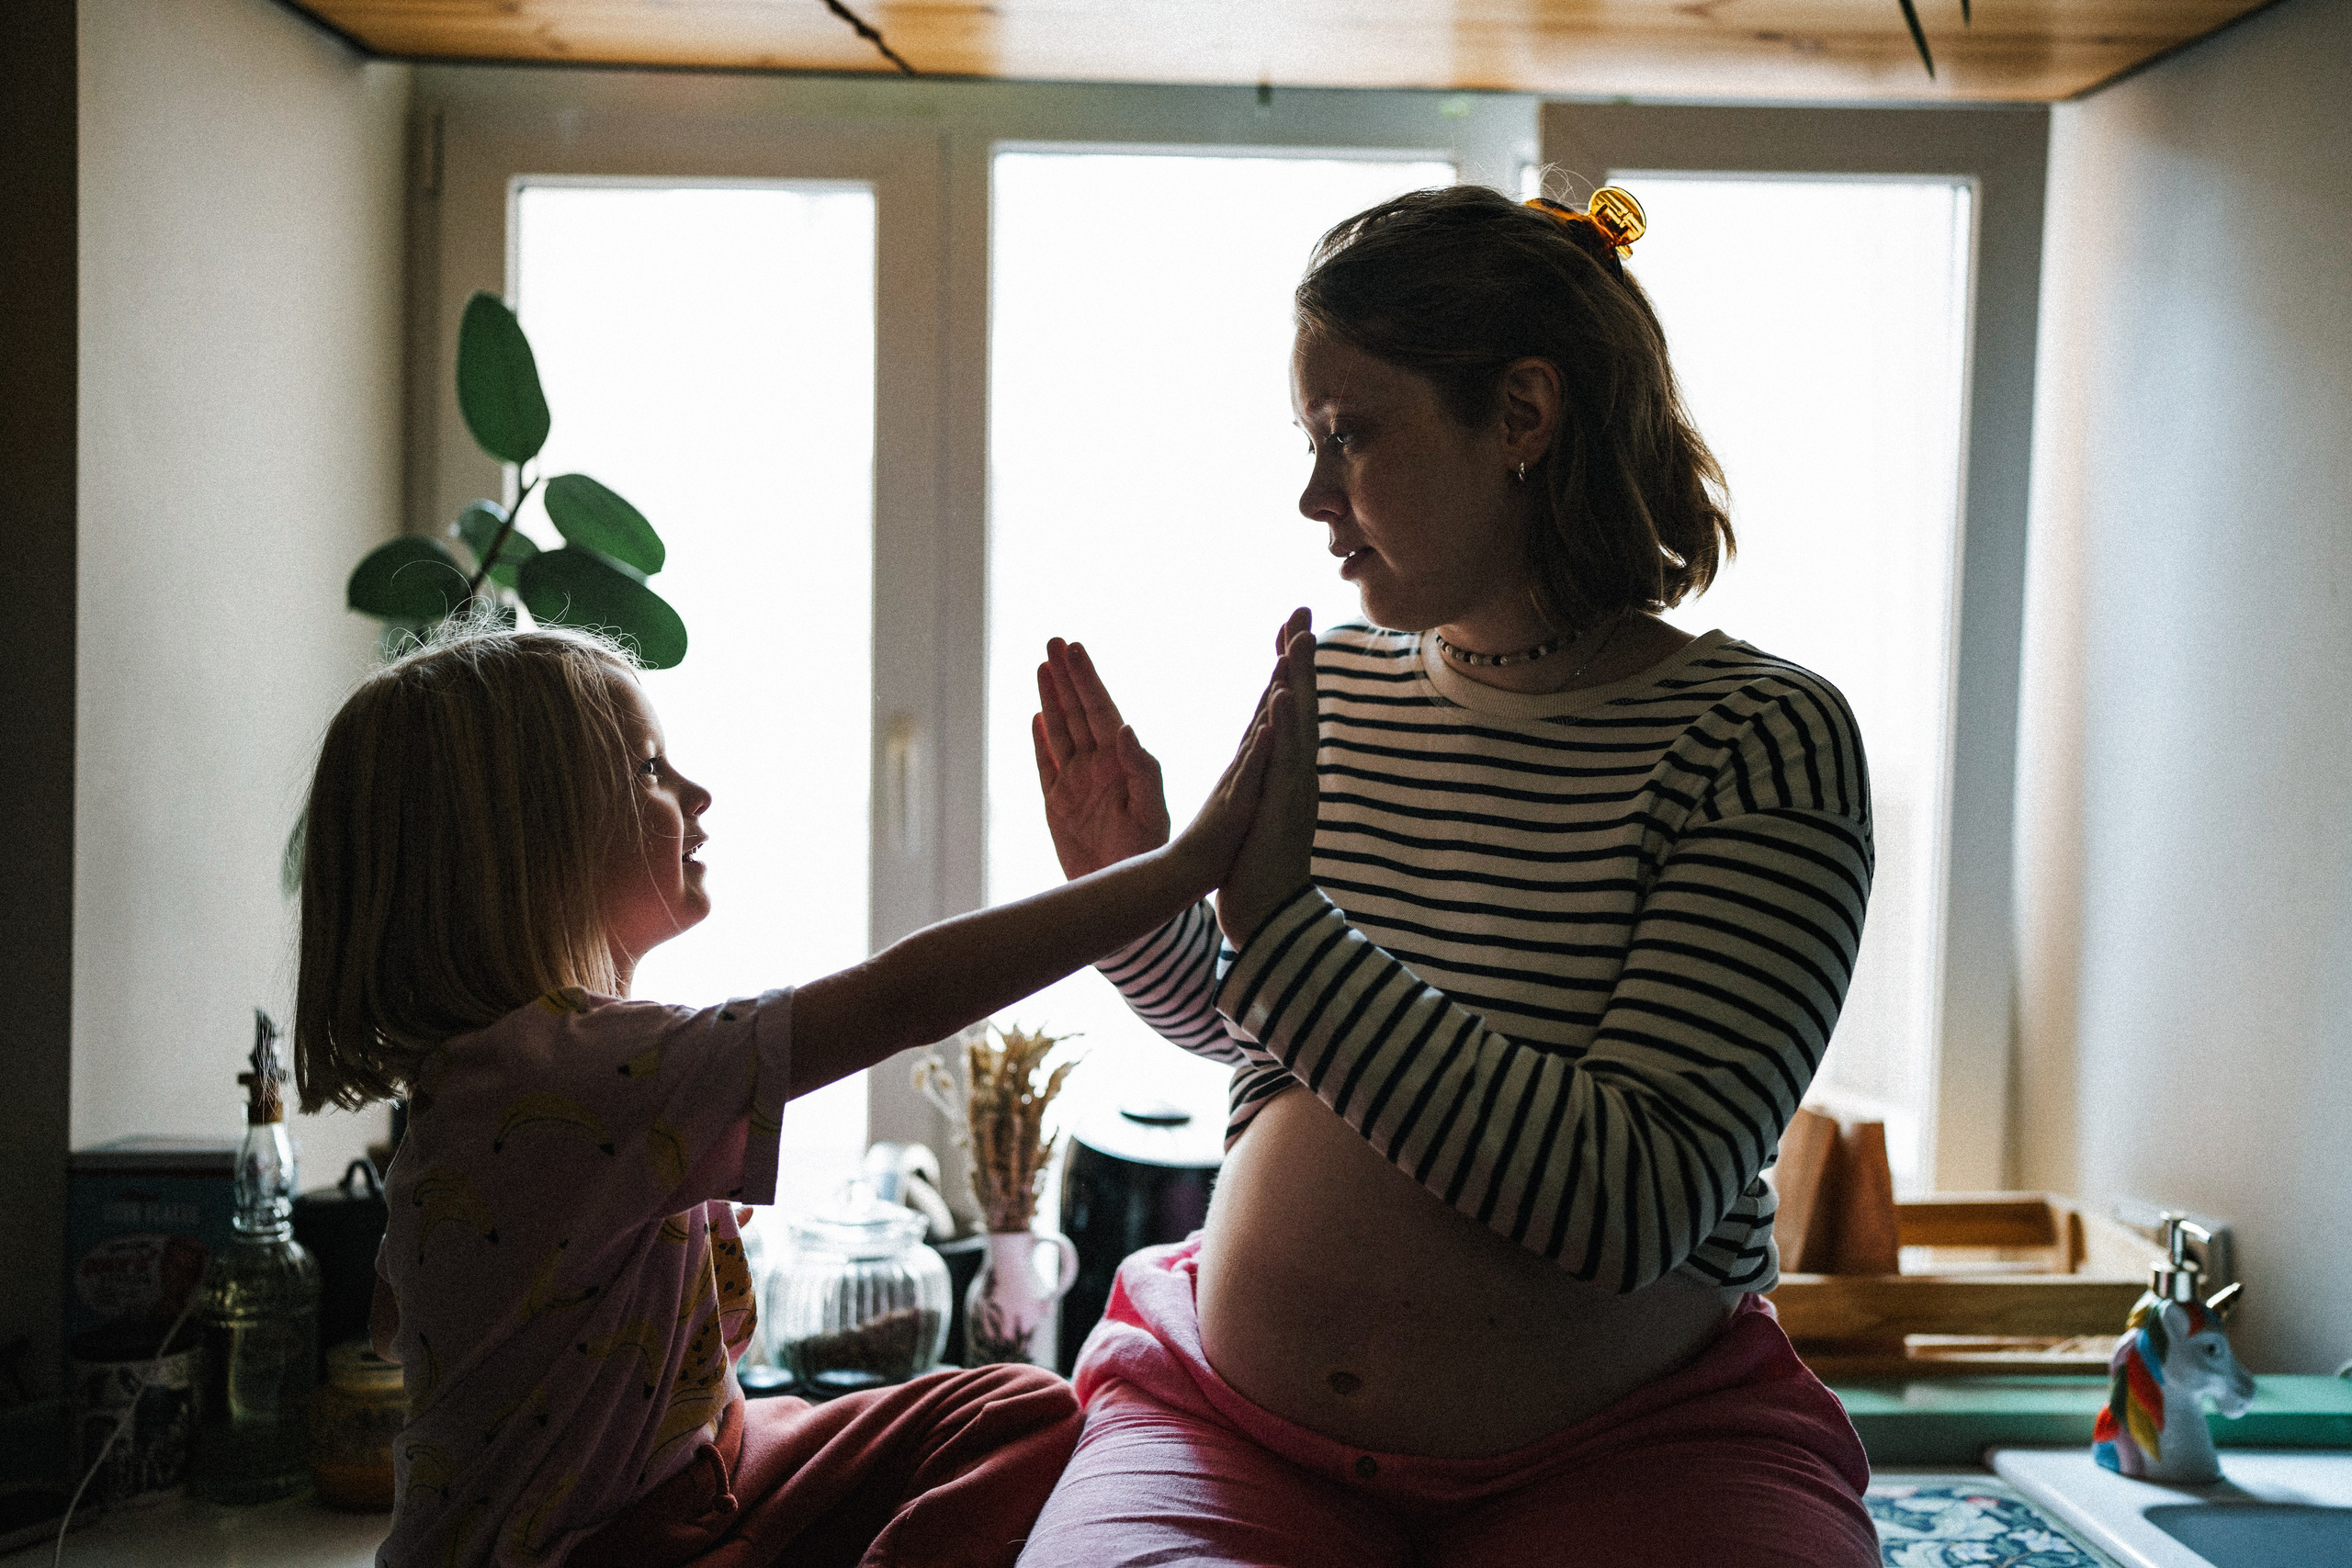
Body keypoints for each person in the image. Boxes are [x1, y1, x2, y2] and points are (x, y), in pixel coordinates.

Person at [1017, 184, 1882, 1567]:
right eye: (1310, 441)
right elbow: (1260, 1025)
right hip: (1235, 1426)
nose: (1312, 494)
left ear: (1523, 417)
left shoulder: (1759, 739)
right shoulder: (1340, 685)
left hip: (1637, 1450)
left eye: (1349, 435)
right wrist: (1142, 903)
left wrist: (1282, 932)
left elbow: (1632, 1200)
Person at [290, 615, 1295, 1568]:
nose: (697, 793)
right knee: (1021, 1419)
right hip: (610, 1546)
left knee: (1011, 1410)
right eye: (648, 768)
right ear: (528, 841)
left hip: (702, 1468)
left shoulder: (474, 1090)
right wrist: (1181, 867)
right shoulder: (593, 1074)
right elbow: (906, 998)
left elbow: (397, 1318)